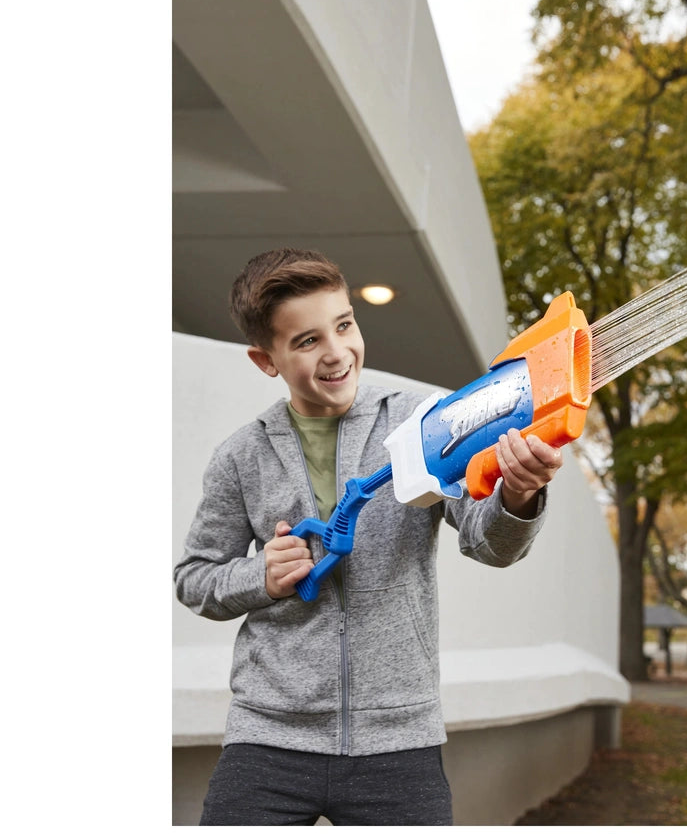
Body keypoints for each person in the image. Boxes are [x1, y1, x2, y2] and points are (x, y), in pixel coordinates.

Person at [174, 248, 563, 825]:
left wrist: (518, 496)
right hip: (268, 739)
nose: (336, 353)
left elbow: (488, 543)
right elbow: (194, 578)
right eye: (306, 342)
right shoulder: (240, 456)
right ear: (266, 360)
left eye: (344, 325)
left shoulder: (425, 422)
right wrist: (261, 576)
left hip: (400, 741)